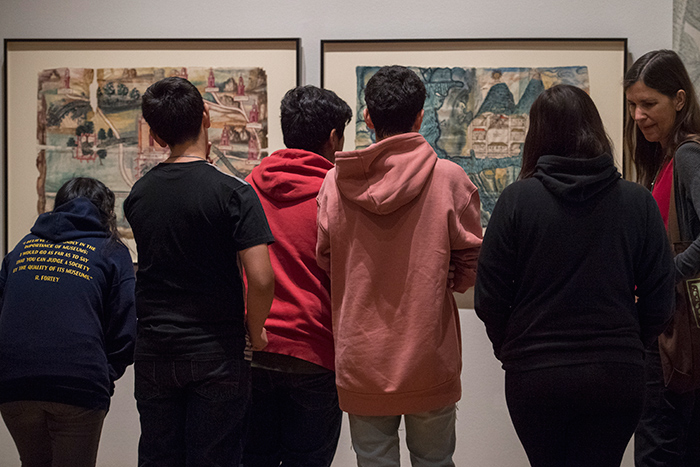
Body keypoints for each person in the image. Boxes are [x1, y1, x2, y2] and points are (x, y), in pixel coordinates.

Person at [474, 84, 675, 467]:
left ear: (537, 136)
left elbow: (489, 297)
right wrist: (631, 342)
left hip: (534, 374)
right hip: (617, 374)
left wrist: (512, 349)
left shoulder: (516, 200)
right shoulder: (636, 203)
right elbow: (660, 298)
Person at [316, 65, 483, 466]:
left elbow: (325, 257)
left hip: (362, 358)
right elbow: (473, 262)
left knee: (373, 461)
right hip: (430, 354)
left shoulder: (335, 183)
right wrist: (445, 280)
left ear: (369, 118)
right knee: (436, 461)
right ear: (421, 116)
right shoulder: (450, 179)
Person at [123, 76, 275, 466]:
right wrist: (254, 330)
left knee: (158, 457)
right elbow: (260, 278)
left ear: (156, 136)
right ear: (207, 117)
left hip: (155, 348)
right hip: (216, 349)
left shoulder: (140, 194)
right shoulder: (234, 192)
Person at [242, 85, 352, 467]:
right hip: (315, 354)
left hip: (253, 351)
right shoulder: (339, 197)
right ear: (333, 137)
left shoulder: (247, 189)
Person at [0, 177, 136, 467]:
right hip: (78, 382)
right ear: (106, 212)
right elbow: (126, 327)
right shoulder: (111, 250)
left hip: (12, 381)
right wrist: (103, 375)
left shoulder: (22, 248)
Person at [625, 49, 700, 467]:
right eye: (633, 105)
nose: (638, 115)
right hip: (671, 328)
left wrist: (665, 274)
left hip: (675, 331)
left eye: (649, 104)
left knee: (658, 447)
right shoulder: (665, 158)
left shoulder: (687, 156)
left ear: (679, 99)